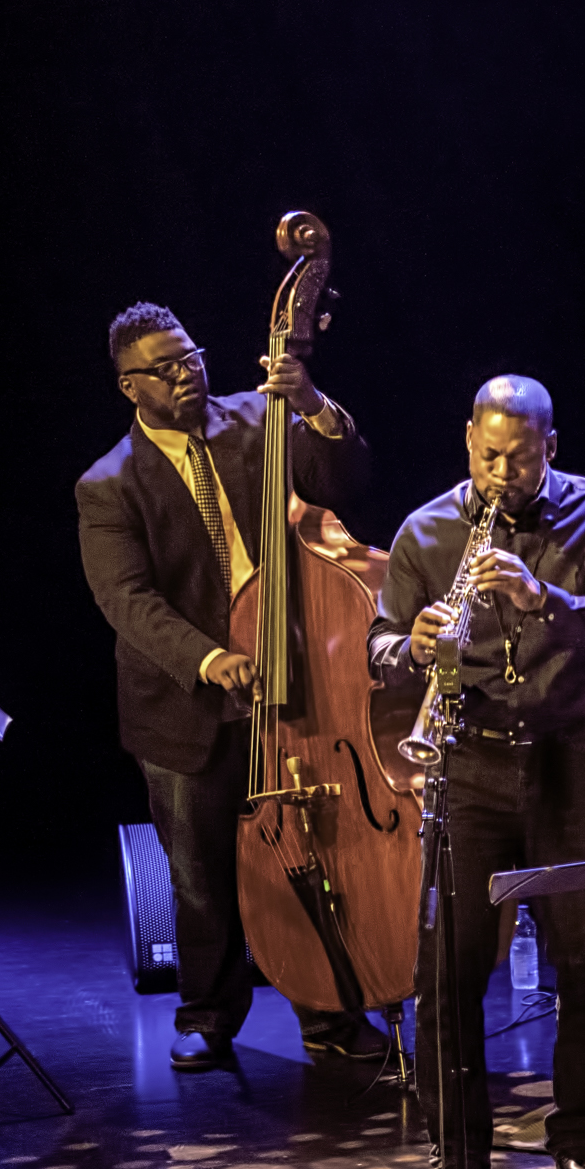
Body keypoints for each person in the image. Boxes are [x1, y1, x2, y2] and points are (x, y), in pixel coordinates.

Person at [77, 301, 386, 1071]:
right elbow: (128, 601)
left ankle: (331, 1016)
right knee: (202, 873)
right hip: (187, 701)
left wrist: (312, 402)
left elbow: (349, 479)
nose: (187, 374)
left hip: (293, 676)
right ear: (129, 387)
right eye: (166, 367)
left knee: (315, 853)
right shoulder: (108, 486)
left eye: (191, 355)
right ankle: (209, 1015)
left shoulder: (261, 419)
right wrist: (212, 658)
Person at [369, 375, 585, 1169]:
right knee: (448, 971)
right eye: (489, 456)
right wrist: (411, 648)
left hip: (574, 756)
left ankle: (580, 1144)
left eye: (520, 459)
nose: (503, 475)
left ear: (550, 449)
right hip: (470, 761)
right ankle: (455, 1162)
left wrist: (547, 601)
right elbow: (380, 644)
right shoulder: (425, 531)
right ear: (468, 440)